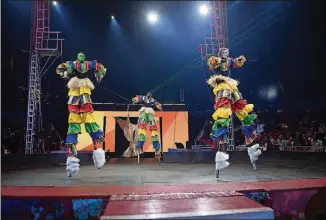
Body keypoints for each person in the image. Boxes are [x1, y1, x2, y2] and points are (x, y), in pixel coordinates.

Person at [207, 48, 261, 174]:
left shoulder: (229, 60)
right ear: (221, 53)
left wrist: (241, 58)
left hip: (232, 87)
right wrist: (217, 60)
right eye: (224, 52)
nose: (226, 53)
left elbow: (236, 62)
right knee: (223, 116)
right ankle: (221, 155)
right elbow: (211, 63)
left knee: (242, 110)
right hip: (222, 87)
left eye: (227, 52)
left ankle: (252, 148)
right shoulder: (218, 60)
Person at [56, 52, 107, 177]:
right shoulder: (73, 64)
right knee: (74, 127)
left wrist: (99, 75)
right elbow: (61, 68)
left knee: (91, 125)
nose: (82, 59)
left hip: (83, 92)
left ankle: (98, 156)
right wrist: (64, 73)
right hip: (76, 92)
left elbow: (100, 68)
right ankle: (72, 165)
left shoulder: (89, 64)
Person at [132, 92, 162, 158]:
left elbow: (157, 104)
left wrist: (159, 107)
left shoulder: (153, 100)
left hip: (150, 112)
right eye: (148, 94)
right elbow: (137, 98)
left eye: (150, 95)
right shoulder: (143, 97)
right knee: (141, 127)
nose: (149, 95)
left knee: (153, 128)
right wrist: (135, 100)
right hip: (144, 111)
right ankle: (139, 145)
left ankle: (156, 148)